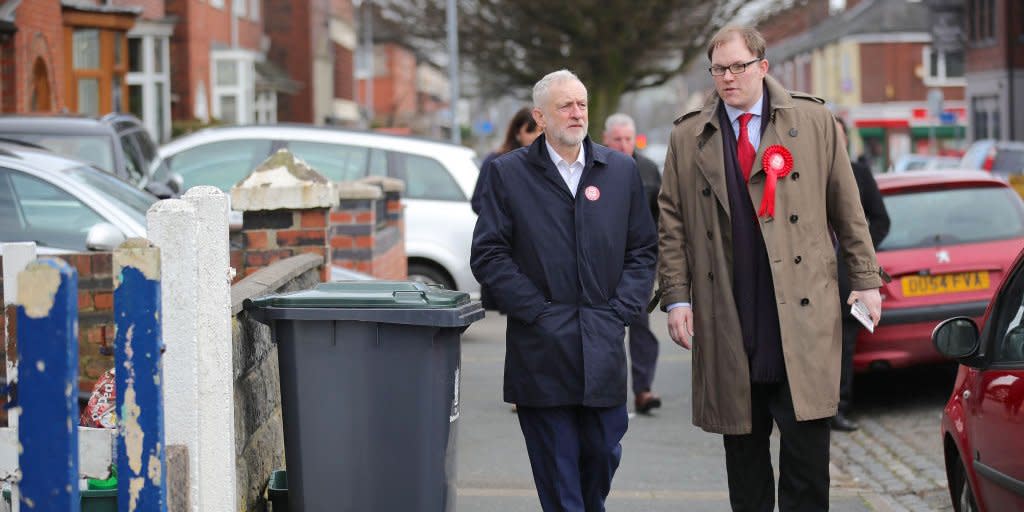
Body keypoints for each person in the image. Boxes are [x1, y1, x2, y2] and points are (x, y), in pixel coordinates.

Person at [657, 26, 885, 511]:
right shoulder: (688, 134)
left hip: (800, 316)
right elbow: (672, 223)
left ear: (763, 66)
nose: (728, 77)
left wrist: (866, 280)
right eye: (719, 68)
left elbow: (848, 209)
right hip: (729, 315)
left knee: (805, 467)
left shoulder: (813, 121)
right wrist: (676, 296)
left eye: (738, 66)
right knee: (745, 467)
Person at [471, 69, 657, 512]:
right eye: (565, 106)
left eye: (582, 105)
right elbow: (488, 254)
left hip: (603, 344)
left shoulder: (620, 172)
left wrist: (621, 311)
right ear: (540, 115)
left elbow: (643, 249)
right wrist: (536, 310)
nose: (577, 114)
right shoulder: (507, 174)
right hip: (541, 351)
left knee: (603, 452)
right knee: (558, 471)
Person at [832, 116, 890, 432]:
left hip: (846, 279)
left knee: (844, 347)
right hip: (807, 279)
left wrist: (857, 254)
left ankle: (838, 408)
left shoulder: (860, 174)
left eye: (837, 135)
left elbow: (881, 221)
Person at [603, 112, 663, 414]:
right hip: (600, 261)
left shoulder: (650, 170)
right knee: (602, 325)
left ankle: (643, 389)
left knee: (640, 323)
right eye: (618, 139)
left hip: (639, 262)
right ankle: (604, 390)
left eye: (628, 139)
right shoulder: (591, 167)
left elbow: (662, 218)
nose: (624, 145)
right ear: (606, 139)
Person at [471, 107, 543, 215]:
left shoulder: (547, 162)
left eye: (541, 130)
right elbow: (478, 202)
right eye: (531, 130)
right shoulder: (496, 161)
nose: (537, 135)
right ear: (517, 133)